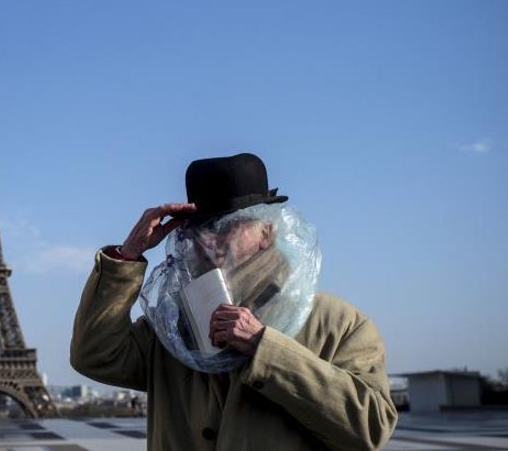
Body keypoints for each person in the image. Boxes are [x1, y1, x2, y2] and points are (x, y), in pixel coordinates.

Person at [70, 153, 398, 450]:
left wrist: (265, 348)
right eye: (200, 229)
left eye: (227, 225)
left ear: (267, 233)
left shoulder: (339, 324)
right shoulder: (171, 327)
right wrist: (127, 257)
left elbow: (371, 427)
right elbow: (96, 356)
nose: (210, 240)